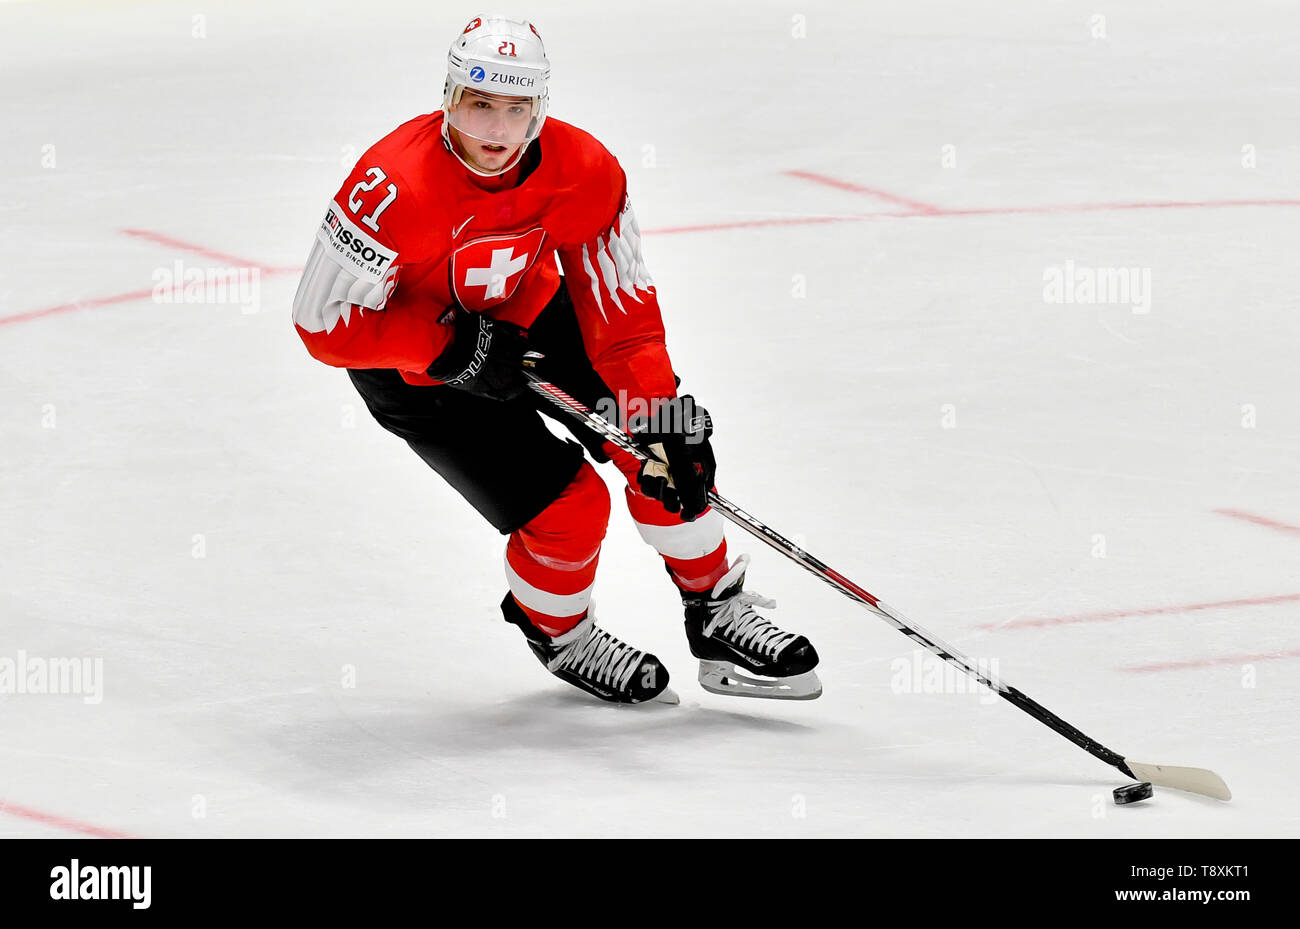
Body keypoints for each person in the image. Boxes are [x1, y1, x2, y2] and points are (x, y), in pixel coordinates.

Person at [291, 14, 821, 705]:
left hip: (529, 318)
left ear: (540, 107)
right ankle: (560, 633)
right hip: (413, 368)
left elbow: (621, 317)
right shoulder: (391, 186)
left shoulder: (586, 172)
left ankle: (716, 609)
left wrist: (656, 408)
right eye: (480, 104)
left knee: (665, 453)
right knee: (571, 507)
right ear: (450, 96)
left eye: (517, 109)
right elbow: (323, 322)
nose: (496, 130)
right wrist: (450, 349)